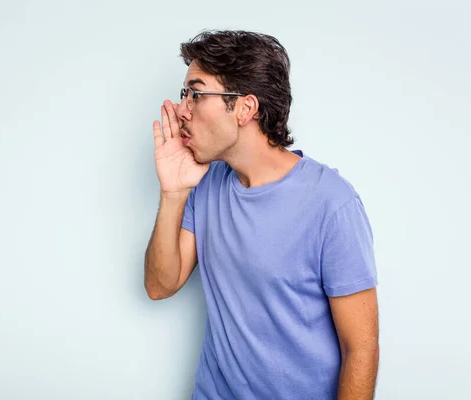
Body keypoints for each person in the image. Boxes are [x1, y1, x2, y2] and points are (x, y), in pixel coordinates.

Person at [144, 30, 379, 400]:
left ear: (244, 108)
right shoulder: (207, 183)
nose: (181, 109)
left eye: (196, 93)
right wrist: (173, 193)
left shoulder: (331, 203)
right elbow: (161, 285)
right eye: (183, 94)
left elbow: (361, 350)